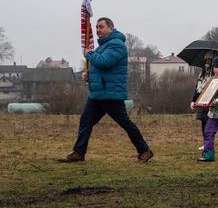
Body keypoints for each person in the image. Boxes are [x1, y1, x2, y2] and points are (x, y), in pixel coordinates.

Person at [59, 17, 153, 163]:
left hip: (111, 94)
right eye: (96, 27)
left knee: (125, 123)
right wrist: (89, 75)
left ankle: (144, 150)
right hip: (98, 94)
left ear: (111, 28)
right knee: (85, 121)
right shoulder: (103, 46)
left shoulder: (117, 45)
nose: (97, 30)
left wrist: (88, 53)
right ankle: (79, 152)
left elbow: (104, 62)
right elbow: (100, 68)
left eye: (101, 27)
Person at [191, 51, 218, 151]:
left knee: (213, 120)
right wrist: (193, 100)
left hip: (211, 99)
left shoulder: (216, 73)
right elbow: (197, 87)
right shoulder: (201, 73)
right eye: (206, 61)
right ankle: (206, 143)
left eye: (209, 61)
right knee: (203, 121)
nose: (207, 63)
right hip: (201, 100)